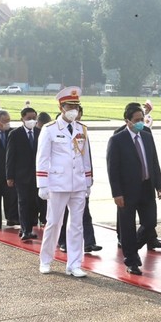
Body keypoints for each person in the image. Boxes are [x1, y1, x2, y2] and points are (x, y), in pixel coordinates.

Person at [37, 86, 92, 278]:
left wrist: (88, 182)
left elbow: (86, 157)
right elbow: (42, 158)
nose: (74, 111)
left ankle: (74, 264)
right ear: (61, 107)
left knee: (76, 225)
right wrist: (42, 184)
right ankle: (46, 260)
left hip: (77, 183)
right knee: (53, 223)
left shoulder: (81, 129)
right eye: (70, 106)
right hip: (57, 182)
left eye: (76, 107)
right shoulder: (50, 129)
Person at [107, 103, 161, 275]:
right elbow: (113, 168)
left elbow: (154, 161)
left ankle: (131, 248)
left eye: (142, 119)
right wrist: (116, 193)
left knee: (150, 223)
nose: (141, 123)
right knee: (127, 226)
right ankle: (131, 260)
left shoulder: (147, 135)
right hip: (127, 190)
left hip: (147, 187)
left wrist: (159, 184)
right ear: (128, 121)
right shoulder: (117, 140)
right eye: (137, 120)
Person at [58, 105, 102, 253]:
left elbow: (86, 157)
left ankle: (89, 242)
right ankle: (63, 241)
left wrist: (89, 178)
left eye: (79, 114)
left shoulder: (82, 130)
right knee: (63, 214)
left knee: (84, 212)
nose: (77, 117)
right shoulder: (55, 130)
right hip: (63, 181)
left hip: (80, 180)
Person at [6, 107, 40, 241]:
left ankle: (28, 227)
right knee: (23, 202)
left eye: (34, 118)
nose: (32, 121)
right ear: (22, 119)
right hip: (21, 175)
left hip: (37, 175)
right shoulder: (15, 134)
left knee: (34, 203)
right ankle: (25, 230)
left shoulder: (40, 132)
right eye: (29, 118)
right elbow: (10, 157)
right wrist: (9, 176)